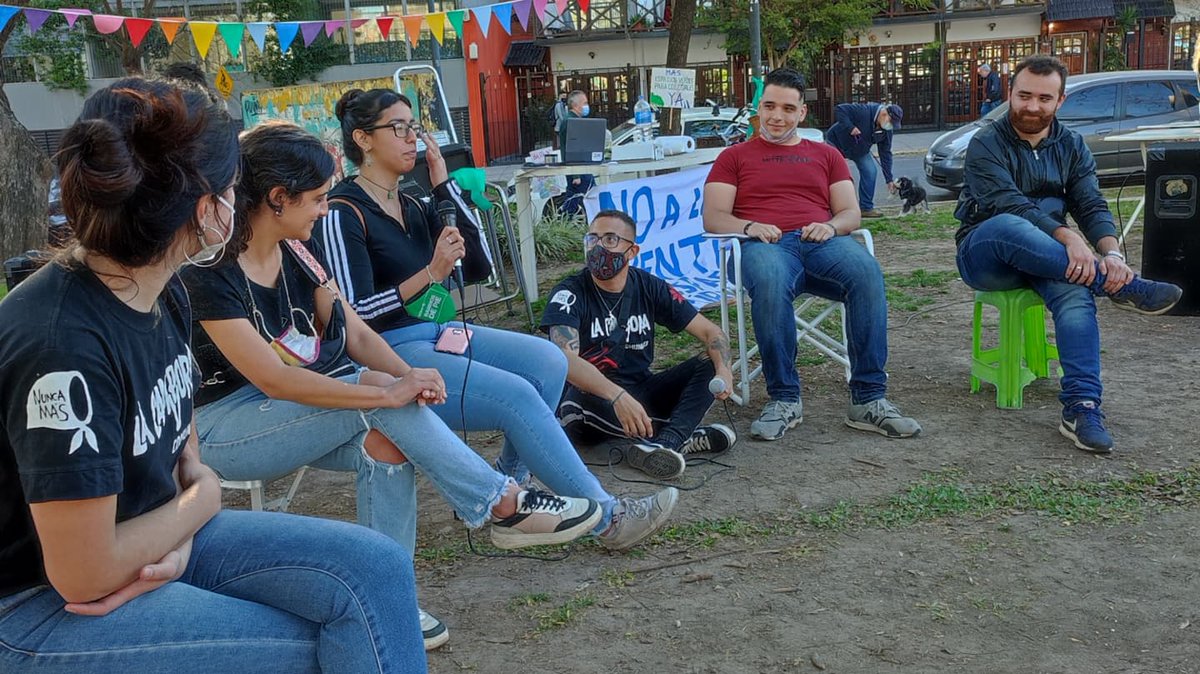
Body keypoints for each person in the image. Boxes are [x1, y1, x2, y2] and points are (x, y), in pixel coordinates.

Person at [0, 77, 428, 673]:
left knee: (376, 572)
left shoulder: (165, 287)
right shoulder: (61, 343)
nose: (241, 201)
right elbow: (84, 571)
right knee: (317, 646)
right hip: (34, 606)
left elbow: (183, 451)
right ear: (207, 210)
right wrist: (201, 502)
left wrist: (181, 535)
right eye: (234, 188)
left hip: (157, 538)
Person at [183, 121, 606, 651]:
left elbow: (354, 331)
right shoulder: (209, 271)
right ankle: (502, 503)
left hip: (294, 406)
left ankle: (388, 596)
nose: (323, 210)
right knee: (377, 397)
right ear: (276, 198)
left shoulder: (298, 251)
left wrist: (405, 378)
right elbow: (273, 378)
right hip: (225, 428)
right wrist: (385, 390)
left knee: (387, 440)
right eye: (315, 199)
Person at [315, 88, 679, 553]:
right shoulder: (344, 212)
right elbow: (352, 318)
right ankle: (607, 518)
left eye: (415, 127)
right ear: (364, 139)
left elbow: (483, 265)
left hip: (437, 332)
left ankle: (508, 488)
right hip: (389, 353)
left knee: (548, 359)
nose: (413, 139)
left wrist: (443, 187)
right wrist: (428, 275)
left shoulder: (412, 203)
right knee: (517, 395)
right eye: (399, 128)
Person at [954, 54, 1183, 454]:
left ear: (1060, 102)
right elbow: (1009, 204)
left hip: (1052, 258)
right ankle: (1121, 288)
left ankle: (1081, 407)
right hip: (988, 253)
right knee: (1010, 226)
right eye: (1024, 96)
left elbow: (1091, 204)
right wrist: (1069, 239)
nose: (1032, 106)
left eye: (1044, 98)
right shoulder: (985, 143)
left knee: (1075, 293)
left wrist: (1111, 254)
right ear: (1009, 94)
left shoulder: (1072, 145)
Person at [703, 67, 922, 442]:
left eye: (788, 108)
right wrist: (749, 227)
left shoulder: (826, 155)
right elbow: (714, 216)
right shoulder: (734, 157)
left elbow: (850, 212)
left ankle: (868, 399)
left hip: (821, 242)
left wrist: (833, 227)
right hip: (762, 245)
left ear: (801, 113)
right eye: (769, 106)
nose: (777, 116)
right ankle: (785, 399)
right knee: (771, 280)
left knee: (866, 271)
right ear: (759, 108)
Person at [541, 210, 737, 480]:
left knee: (710, 362)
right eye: (593, 238)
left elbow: (711, 332)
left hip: (640, 393)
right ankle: (681, 438)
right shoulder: (569, 292)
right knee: (575, 397)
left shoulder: (648, 286)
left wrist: (724, 371)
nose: (598, 247)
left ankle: (664, 445)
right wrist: (617, 396)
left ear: (632, 251)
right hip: (589, 398)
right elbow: (564, 359)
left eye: (610, 239)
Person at [824, 100, 903, 218]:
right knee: (838, 175)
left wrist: (889, 179)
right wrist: (850, 127)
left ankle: (866, 208)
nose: (890, 126)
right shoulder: (864, 111)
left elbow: (885, 153)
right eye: (891, 122)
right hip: (836, 143)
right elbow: (840, 109)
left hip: (860, 149)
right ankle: (830, 208)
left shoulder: (886, 131)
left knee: (870, 171)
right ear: (884, 114)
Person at [558, 89, 597, 216]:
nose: (586, 106)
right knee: (589, 199)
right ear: (575, 105)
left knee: (574, 200)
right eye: (584, 103)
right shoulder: (571, 121)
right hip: (578, 169)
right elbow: (573, 148)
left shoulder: (571, 120)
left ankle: (567, 222)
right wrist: (576, 175)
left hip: (578, 168)